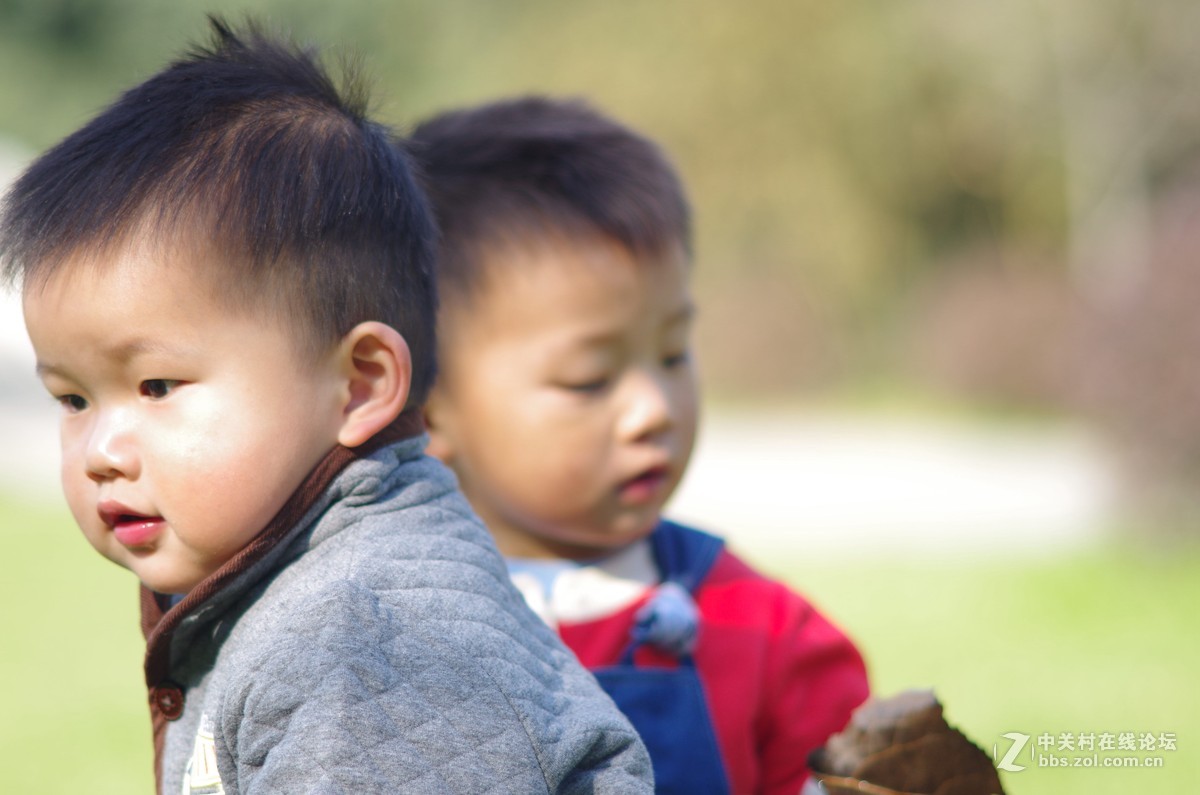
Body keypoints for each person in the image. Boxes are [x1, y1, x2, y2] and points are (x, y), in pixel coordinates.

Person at [0, 22, 652, 794]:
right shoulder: (294, 578)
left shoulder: (362, 637)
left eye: (158, 387)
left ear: (360, 385)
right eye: (72, 398)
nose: (102, 449)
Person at [413, 96, 871, 795]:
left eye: (674, 352)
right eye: (589, 379)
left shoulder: (765, 632)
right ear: (430, 408)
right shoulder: (387, 628)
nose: (653, 410)